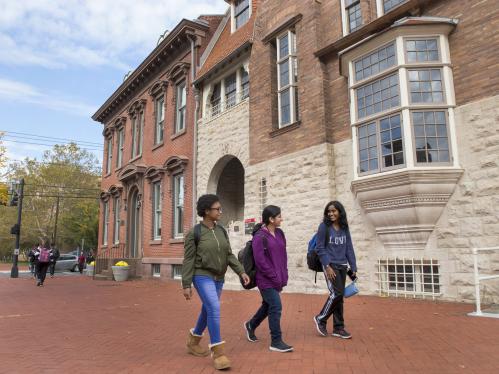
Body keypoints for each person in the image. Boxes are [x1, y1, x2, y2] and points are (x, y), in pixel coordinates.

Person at [182, 194, 250, 371]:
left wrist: (241, 271)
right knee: (214, 307)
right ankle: (218, 353)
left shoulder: (221, 231)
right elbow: (188, 260)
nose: (220, 211)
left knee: (208, 309)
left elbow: (228, 255)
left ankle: (193, 341)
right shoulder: (194, 233)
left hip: (219, 277)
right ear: (206, 211)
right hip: (202, 275)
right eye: (217, 209)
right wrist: (186, 284)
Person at [244, 205, 293, 352]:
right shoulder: (259, 237)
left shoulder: (280, 233)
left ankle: (251, 325)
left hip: (278, 277)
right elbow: (260, 262)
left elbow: (282, 256)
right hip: (265, 279)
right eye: (279, 217)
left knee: (268, 306)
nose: (281, 219)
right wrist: (273, 275)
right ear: (271, 219)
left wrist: (284, 274)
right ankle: (276, 341)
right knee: (276, 306)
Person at [313, 201, 357, 339]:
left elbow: (349, 247)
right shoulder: (324, 227)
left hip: (342, 266)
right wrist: (327, 266)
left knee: (339, 298)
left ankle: (339, 328)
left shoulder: (344, 227)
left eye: (334, 211)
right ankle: (321, 318)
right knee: (336, 294)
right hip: (330, 266)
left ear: (340, 212)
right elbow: (320, 248)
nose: (331, 214)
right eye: (329, 211)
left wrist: (353, 266)